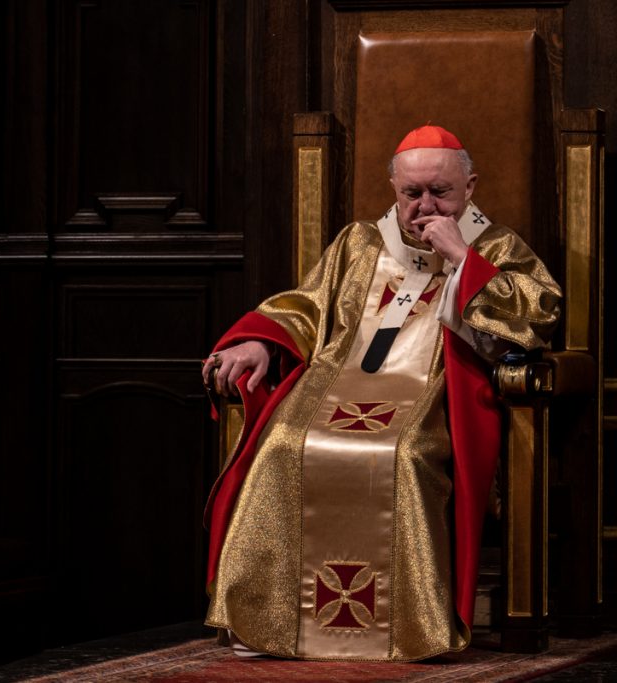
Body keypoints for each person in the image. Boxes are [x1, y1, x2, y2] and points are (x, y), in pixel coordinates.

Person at [199, 125, 561, 661]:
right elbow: (308, 305)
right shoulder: (360, 242)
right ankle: (267, 622)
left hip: (432, 389)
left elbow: (540, 313)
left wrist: (463, 258)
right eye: (412, 193)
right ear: (393, 187)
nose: (425, 206)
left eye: (440, 192)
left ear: (470, 187)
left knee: (405, 455)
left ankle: (408, 627)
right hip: (335, 382)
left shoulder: (497, 245)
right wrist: (259, 341)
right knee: (282, 447)